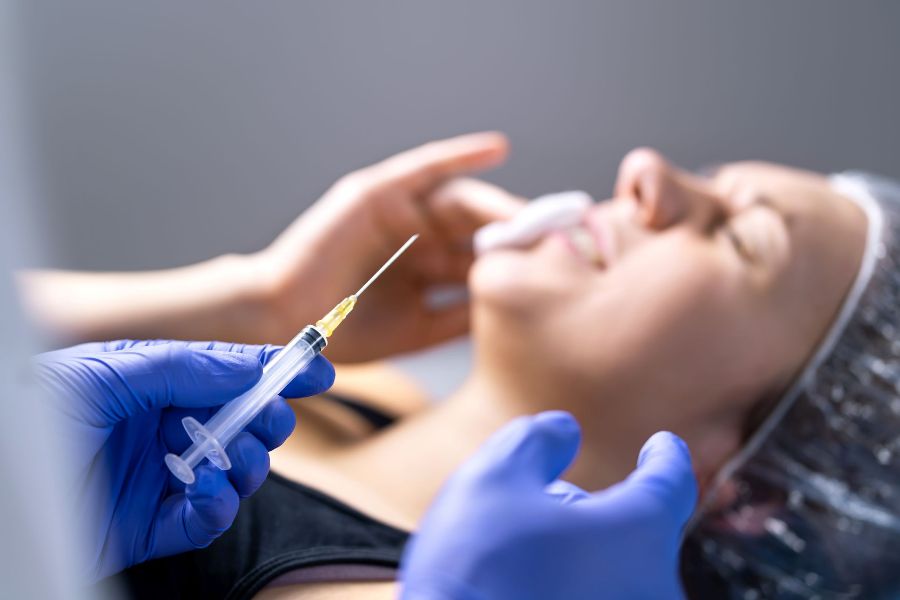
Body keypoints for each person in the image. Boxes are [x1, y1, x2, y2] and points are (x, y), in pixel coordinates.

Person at [106, 143, 893, 598]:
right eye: (709, 178)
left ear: (758, 497)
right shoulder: (358, 396)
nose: (647, 171)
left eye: (738, 236)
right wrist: (255, 301)